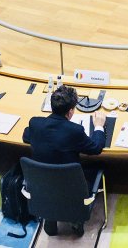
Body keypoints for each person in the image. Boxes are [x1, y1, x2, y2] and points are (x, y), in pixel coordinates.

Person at [21, 84, 106, 237]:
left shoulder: (35, 123)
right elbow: (96, 148)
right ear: (71, 111)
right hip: (71, 187)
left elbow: (26, 136)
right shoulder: (75, 131)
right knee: (97, 167)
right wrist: (99, 126)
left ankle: (50, 217)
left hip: (42, 185)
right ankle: (75, 219)